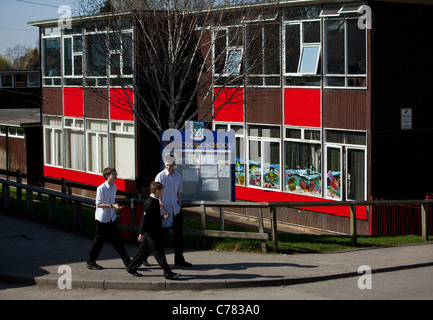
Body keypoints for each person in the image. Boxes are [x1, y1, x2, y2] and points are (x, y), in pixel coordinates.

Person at [127, 181, 180, 280]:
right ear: (157, 191)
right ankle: (168, 273)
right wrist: (141, 233)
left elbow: (152, 217)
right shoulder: (150, 203)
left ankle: (131, 267)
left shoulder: (154, 201)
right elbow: (144, 219)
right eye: (162, 191)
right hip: (151, 232)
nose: (162, 193)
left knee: (142, 251)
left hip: (153, 231)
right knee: (159, 252)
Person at [86, 167, 131, 270]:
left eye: (116, 174)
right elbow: (98, 204)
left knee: (117, 241)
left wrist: (115, 207)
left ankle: (128, 263)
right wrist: (111, 206)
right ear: (107, 176)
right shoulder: (101, 188)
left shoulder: (114, 187)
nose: (116, 176)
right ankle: (90, 261)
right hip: (102, 219)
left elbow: (112, 202)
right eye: (114, 174)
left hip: (111, 217)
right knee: (99, 241)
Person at [156, 155, 192, 267]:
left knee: (178, 236)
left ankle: (179, 259)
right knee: (160, 236)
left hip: (175, 210)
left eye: (170, 165)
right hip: (165, 211)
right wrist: (163, 210)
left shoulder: (177, 176)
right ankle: (147, 255)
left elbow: (178, 193)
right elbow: (157, 195)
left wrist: (179, 206)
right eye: (166, 165)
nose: (168, 167)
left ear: (174, 165)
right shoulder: (160, 176)